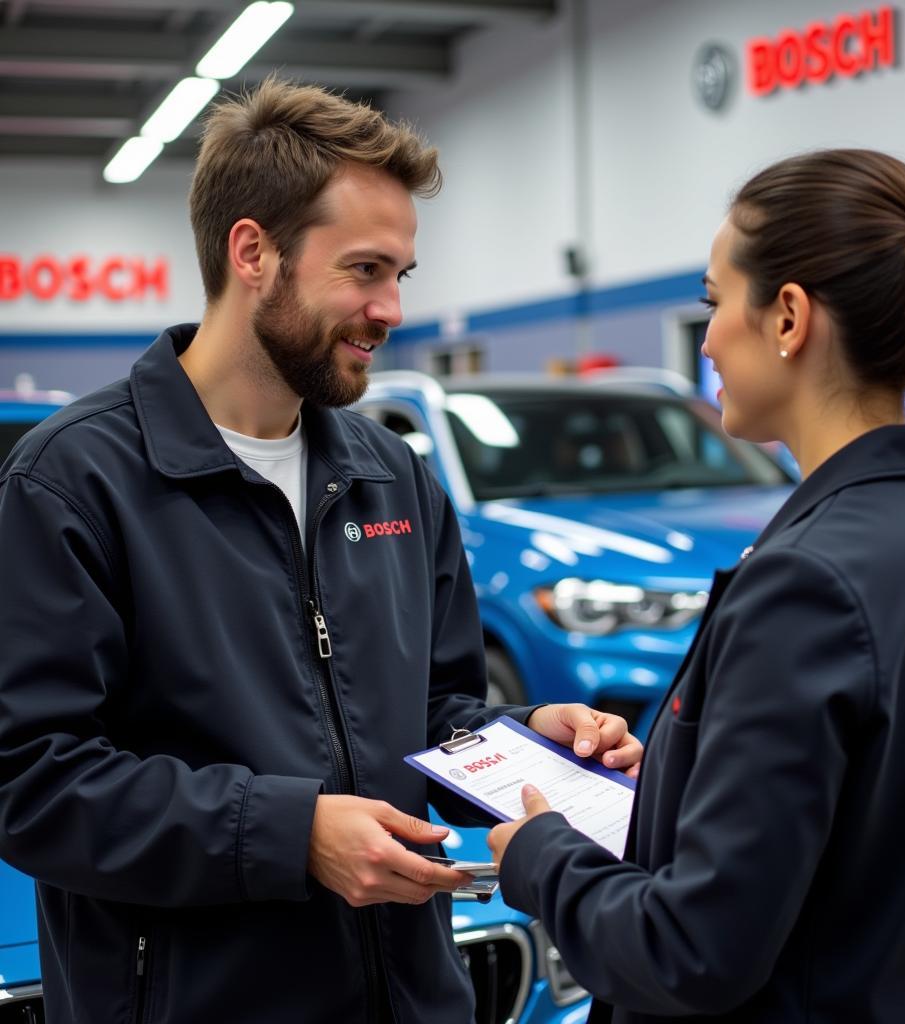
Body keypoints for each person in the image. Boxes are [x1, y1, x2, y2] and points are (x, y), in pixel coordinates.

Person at [0, 78, 641, 1024]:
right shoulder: (74, 484)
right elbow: (36, 780)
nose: (390, 309)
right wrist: (289, 834)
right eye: (364, 270)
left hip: (412, 998)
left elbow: (432, 712)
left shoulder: (393, 477)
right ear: (253, 252)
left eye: (400, 277)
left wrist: (523, 740)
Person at [488, 149, 905, 1023]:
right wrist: (680, 781)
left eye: (713, 301)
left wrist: (543, 856)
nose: (705, 340)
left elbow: (692, 951)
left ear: (788, 318)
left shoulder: (806, 582)